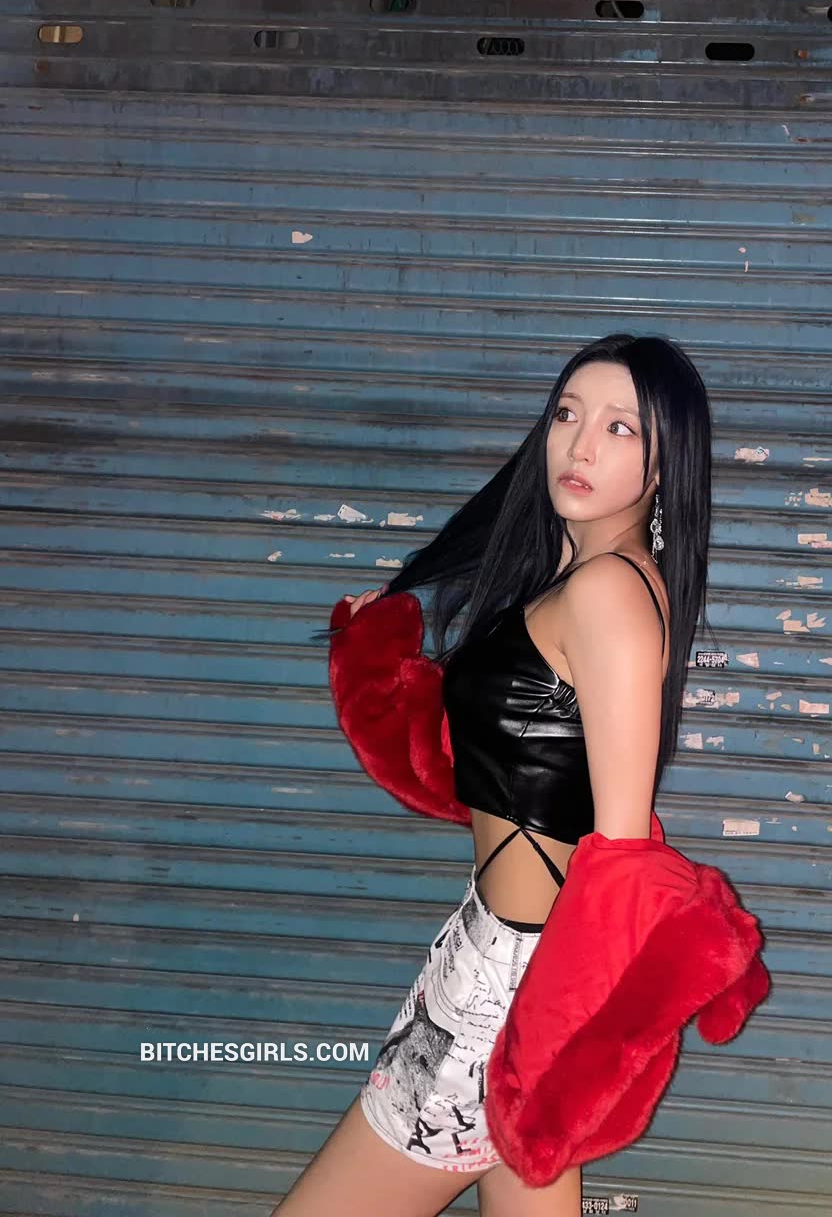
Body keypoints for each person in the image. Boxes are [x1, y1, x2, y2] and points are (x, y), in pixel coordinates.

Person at [272, 332, 720, 1217]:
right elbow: (520, 775)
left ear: (667, 463)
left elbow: (621, 852)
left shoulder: (607, 593)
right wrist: (383, 668)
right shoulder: (579, 577)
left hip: (510, 993)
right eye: (568, 414)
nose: (580, 445)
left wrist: (562, 1044)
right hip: (498, 961)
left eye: (621, 428)